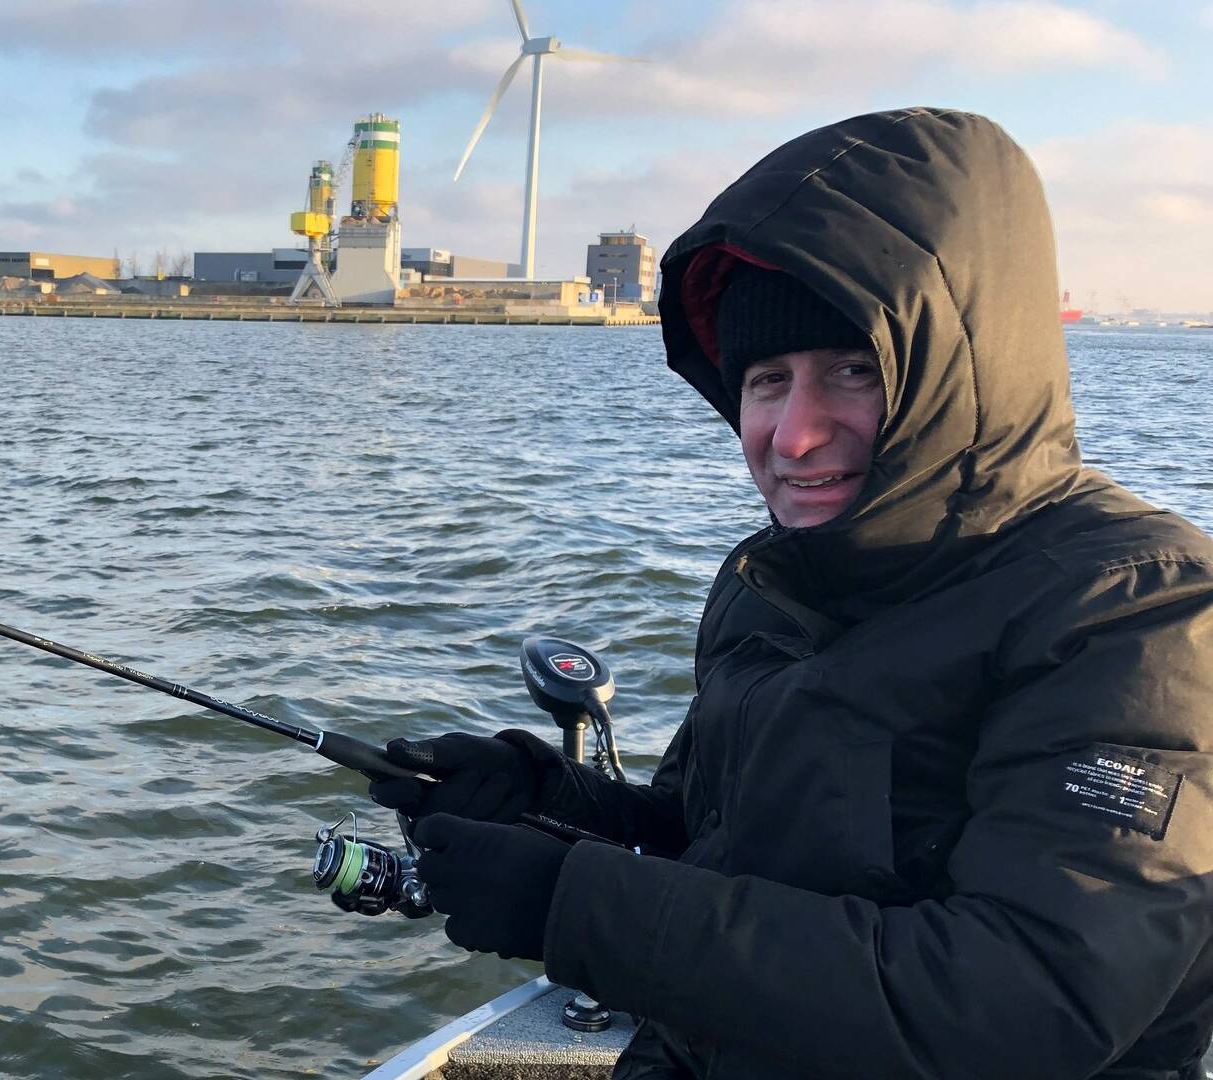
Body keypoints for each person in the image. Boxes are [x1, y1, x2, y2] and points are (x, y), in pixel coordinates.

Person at [368, 107, 1213, 1079]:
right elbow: (716, 837)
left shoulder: (1135, 609)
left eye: (853, 371)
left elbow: (1027, 1001)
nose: (795, 434)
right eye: (767, 380)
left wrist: (571, 903)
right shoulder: (768, 578)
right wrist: (547, 803)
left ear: (964, 374)